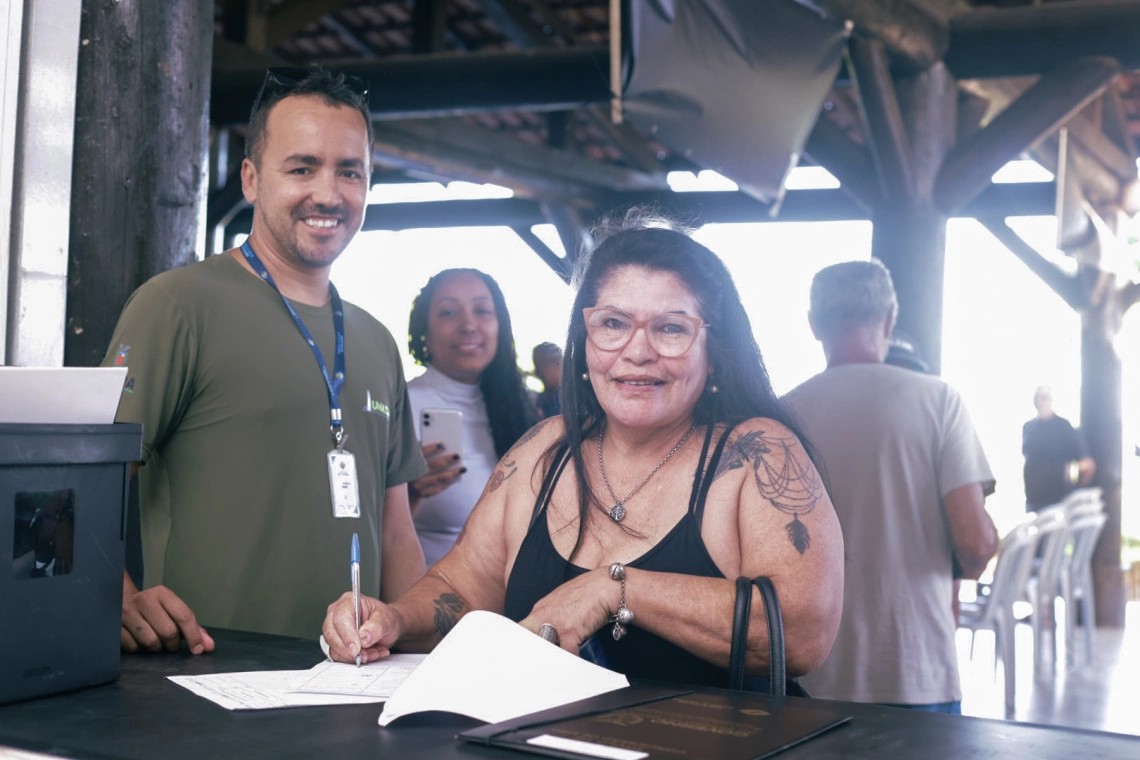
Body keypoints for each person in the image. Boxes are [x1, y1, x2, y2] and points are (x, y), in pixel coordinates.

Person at [322, 213, 843, 691]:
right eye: (613, 324)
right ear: (585, 340)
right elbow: (460, 587)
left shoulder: (757, 454)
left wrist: (615, 591)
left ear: (715, 349)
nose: (637, 351)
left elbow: (800, 632)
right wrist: (391, 619)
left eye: (671, 328)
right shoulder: (543, 451)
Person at [102, 67, 427, 652]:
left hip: (354, 687)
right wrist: (120, 598)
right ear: (251, 179)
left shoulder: (375, 339)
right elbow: (81, 484)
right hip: (206, 676)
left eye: (349, 171)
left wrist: (425, 657)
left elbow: (396, 532)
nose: (328, 193)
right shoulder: (178, 304)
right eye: (302, 168)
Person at [783, 258, 998, 713]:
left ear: (813, 325)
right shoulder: (940, 401)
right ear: (890, 319)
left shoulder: (780, 416)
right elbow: (975, 544)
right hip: (914, 672)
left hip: (808, 677)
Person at [405, 268, 538, 566]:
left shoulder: (522, 407)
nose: (468, 325)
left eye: (482, 311)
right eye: (448, 312)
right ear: (424, 330)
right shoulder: (401, 406)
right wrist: (408, 491)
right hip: (433, 597)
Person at [1022, 385, 1096, 511]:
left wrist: (1075, 487)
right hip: (1034, 498)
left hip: (1058, 499)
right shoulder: (1028, 427)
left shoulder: (1063, 427)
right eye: (1039, 398)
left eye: (1045, 398)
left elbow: (1087, 465)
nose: (1041, 402)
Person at [531, 341, 564, 418]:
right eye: (537, 365)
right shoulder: (539, 401)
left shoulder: (575, 398)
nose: (537, 371)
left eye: (544, 363)